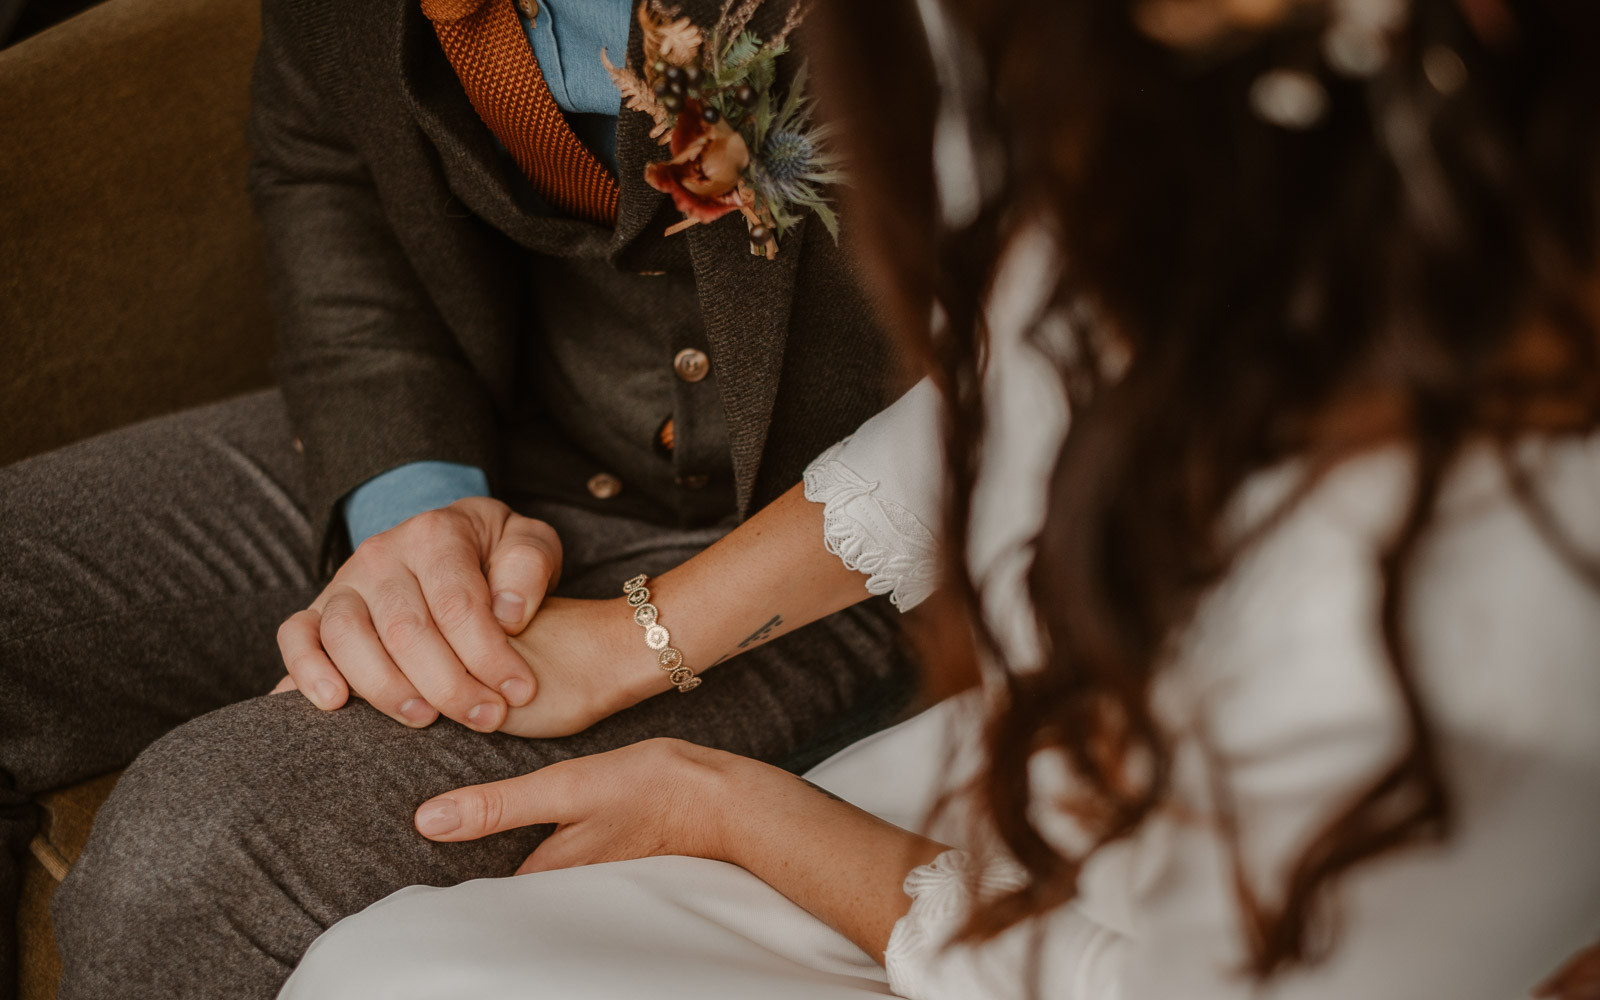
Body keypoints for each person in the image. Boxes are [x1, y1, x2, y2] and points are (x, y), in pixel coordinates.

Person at [279, 0, 1600, 996]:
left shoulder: (1467, 647)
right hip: (1047, 776)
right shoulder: (1164, 104)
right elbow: (1027, 366)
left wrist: (745, 809)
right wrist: (642, 634)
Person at [0, 1, 921, 998]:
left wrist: (637, 638)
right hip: (505, 424)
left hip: (840, 557)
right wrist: (412, 505)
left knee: (198, 850)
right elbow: (327, 161)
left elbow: (1049, 376)